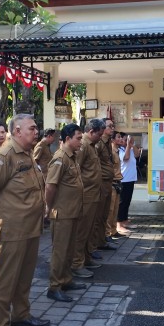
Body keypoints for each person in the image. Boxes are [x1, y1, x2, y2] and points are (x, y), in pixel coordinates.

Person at [0, 114, 49, 326]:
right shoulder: (3, 157)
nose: (36, 131)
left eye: (36, 128)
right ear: (17, 131)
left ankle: (21, 315)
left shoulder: (27, 154)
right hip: (9, 230)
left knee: (24, 277)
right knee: (4, 280)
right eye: (32, 128)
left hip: (29, 228)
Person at [44, 124, 87, 302]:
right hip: (62, 213)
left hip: (72, 211)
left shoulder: (72, 157)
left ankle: (66, 280)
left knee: (69, 250)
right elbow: (50, 186)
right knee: (60, 251)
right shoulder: (60, 158)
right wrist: (48, 207)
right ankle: (54, 287)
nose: (80, 141)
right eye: (78, 138)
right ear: (68, 139)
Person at [72, 119, 105, 278]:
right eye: (99, 134)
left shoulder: (92, 146)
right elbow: (76, 169)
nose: (100, 137)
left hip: (93, 195)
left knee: (89, 230)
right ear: (91, 132)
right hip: (85, 196)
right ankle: (77, 263)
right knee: (81, 231)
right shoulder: (83, 145)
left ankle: (86, 258)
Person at [91, 118, 117, 255]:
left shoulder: (107, 143)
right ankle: (93, 246)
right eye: (110, 126)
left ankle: (102, 241)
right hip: (100, 182)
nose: (112, 128)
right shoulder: (98, 144)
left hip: (108, 182)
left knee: (104, 215)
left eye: (113, 126)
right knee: (97, 215)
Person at [116, 132, 141, 235]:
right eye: (125, 139)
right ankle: (119, 224)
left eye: (128, 139)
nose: (126, 141)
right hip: (123, 179)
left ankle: (125, 220)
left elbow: (137, 154)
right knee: (121, 203)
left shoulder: (129, 148)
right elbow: (125, 158)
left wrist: (132, 144)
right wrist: (127, 146)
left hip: (130, 179)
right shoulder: (119, 150)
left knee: (127, 201)